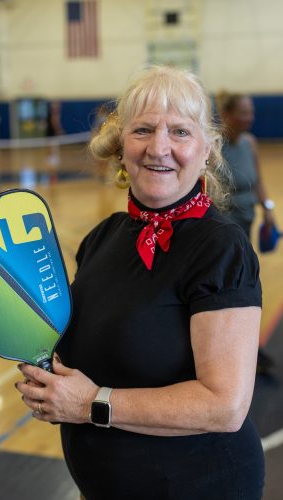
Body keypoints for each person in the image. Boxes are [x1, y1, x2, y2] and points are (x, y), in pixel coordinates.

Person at [15, 65, 265, 499]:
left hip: (198, 486)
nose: (159, 147)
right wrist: (52, 385)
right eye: (143, 130)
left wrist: (89, 404)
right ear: (121, 146)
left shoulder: (221, 248)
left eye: (180, 132)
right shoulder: (101, 238)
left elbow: (224, 405)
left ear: (207, 149)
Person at [216, 92, 276, 374]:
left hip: (248, 217)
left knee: (246, 278)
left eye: (250, 111)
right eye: (243, 112)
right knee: (235, 281)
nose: (249, 117)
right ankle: (236, 348)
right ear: (227, 115)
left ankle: (246, 344)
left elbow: (259, 181)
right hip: (225, 225)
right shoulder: (214, 145)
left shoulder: (250, 143)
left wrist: (269, 210)